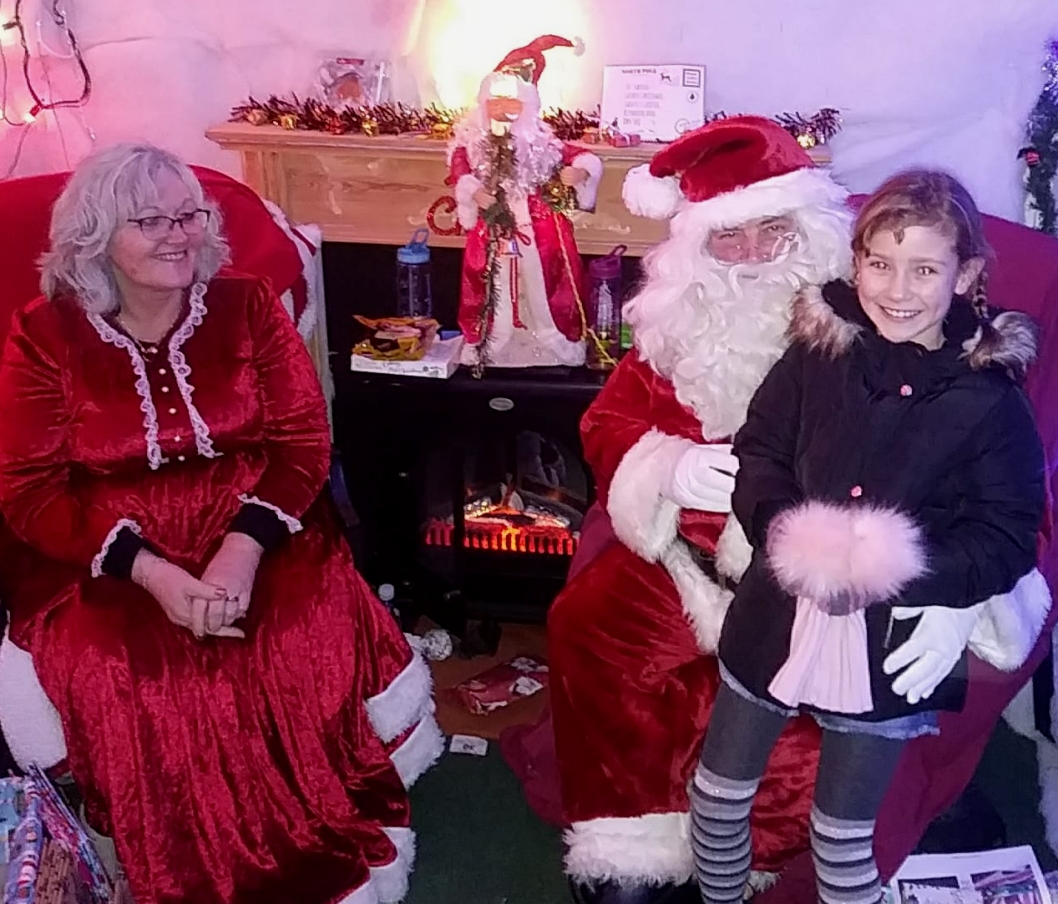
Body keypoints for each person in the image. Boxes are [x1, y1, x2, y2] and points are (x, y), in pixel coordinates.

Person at [0, 143, 442, 904]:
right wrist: (157, 574)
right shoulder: (43, 335)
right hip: (101, 547)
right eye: (150, 220)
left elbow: (303, 446)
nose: (181, 235)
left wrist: (241, 554)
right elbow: (30, 490)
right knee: (132, 665)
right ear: (96, 235)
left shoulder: (245, 305)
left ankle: (315, 833)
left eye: (189, 215)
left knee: (290, 628)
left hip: (261, 519)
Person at [689, 170, 1052, 904]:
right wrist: (780, 530)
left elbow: (1009, 533)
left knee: (844, 838)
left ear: (966, 275)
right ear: (854, 264)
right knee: (717, 798)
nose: (898, 289)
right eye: (880, 264)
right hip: (776, 611)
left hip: (897, 637)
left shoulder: (990, 399)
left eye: (925, 269)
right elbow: (760, 451)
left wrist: (934, 586)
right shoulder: (815, 353)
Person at [546, 115, 856, 904]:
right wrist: (669, 466)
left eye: (772, 232)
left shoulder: (856, 329)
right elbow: (607, 423)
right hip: (680, 559)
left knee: (807, 718)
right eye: (728, 238)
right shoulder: (672, 330)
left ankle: (741, 854)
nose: (750, 255)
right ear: (694, 250)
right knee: (588, 624)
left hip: (799, 570)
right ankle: (633, 840)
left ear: (809, 232)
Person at [447, 34, 603, 368]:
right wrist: (473, 191)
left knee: (543, 282)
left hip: (539, 228)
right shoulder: (472, 143)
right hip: (492, 228)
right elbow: (459, 170)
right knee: (491, 282)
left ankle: (548, 339)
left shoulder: (542, 143)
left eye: (512, 103)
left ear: (528, 107)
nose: (503, 110)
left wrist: (581, 173)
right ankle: (492, 342)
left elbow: (581, 156)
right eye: (495, 102)